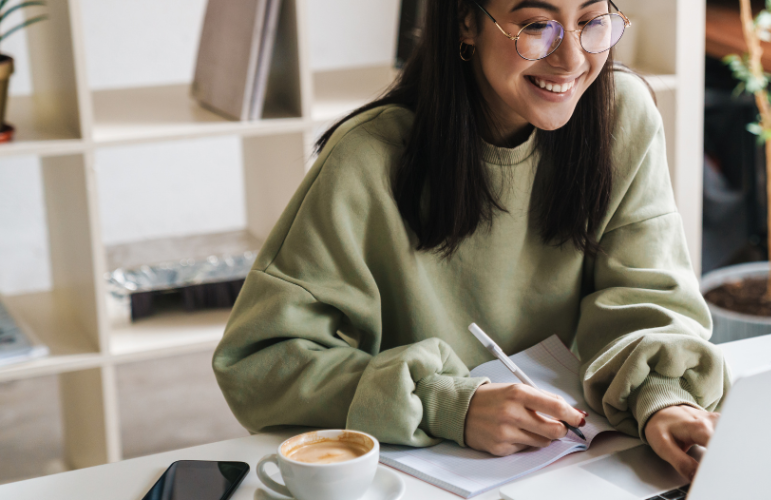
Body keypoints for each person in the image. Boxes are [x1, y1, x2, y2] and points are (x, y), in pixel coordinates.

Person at [212, 0, 729, 480]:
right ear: (466, 20)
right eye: (536, 25)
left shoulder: (622, 115)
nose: (572, 59)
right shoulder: (367, 158)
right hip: (423, 477)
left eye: (592, 21)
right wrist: (446, 403)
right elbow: (259, 363)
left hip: (575, 462)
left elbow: (647, 297)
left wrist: (665, 398)